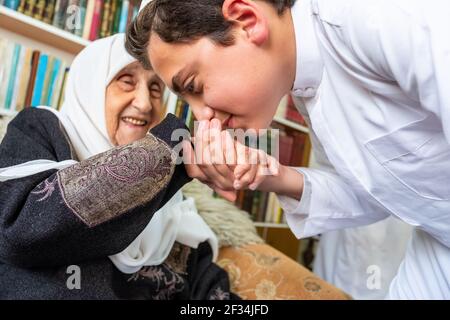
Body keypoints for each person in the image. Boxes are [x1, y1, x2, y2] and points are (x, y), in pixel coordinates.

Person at [126, 0, 450, 299]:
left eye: (194, 86)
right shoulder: (308, 88)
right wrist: (272, 176)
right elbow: (383, 194)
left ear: (246, 20)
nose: (202, 117)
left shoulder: (369, 13)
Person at [0, 34, 235, 300]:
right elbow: (20, 231)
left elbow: (204, 285)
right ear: (91, 86)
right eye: (126, 81)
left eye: (156, 88)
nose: (145, 103)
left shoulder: (173, 202)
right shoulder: (42, 129)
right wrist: (169, 149)